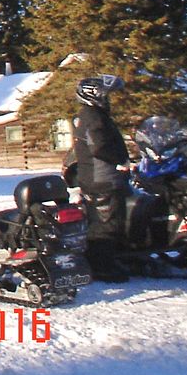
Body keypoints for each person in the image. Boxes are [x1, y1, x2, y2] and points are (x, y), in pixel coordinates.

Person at [68, 74, 130, 281]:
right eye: (105, 95)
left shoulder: (92, 115)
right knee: (105, 223)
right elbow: (99, 146)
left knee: (110, 219)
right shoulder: (93, 116)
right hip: (101, 177)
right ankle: (101, 266)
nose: (108, 99)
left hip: (100, 176)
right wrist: (120, 159)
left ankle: (111, 258)